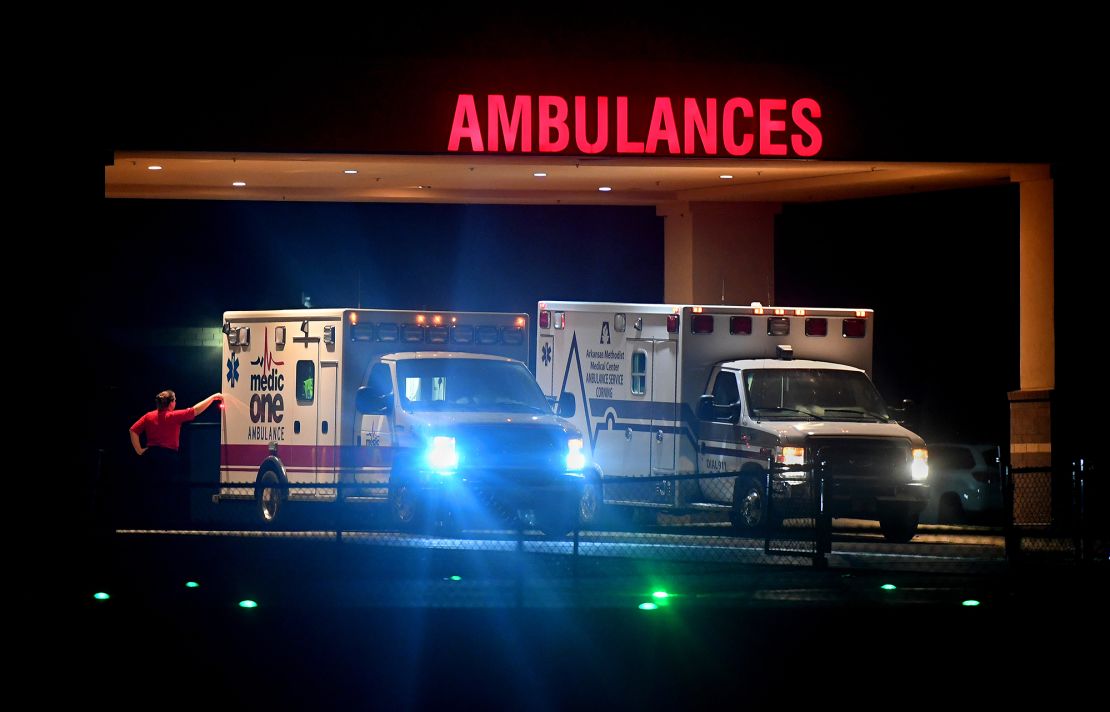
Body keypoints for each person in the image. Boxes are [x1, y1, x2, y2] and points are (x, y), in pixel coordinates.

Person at [129, 390, 223, 527]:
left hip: (151, 457)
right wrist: (213, 397)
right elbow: (195, 410)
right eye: (175, 400)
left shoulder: (149, 416)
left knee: (151, 491)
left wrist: (139, 450)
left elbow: (133, 430)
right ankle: (166, 523)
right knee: (168, 491)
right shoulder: (173, 416)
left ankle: (149, 522)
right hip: (168, 459)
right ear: (171, 403)